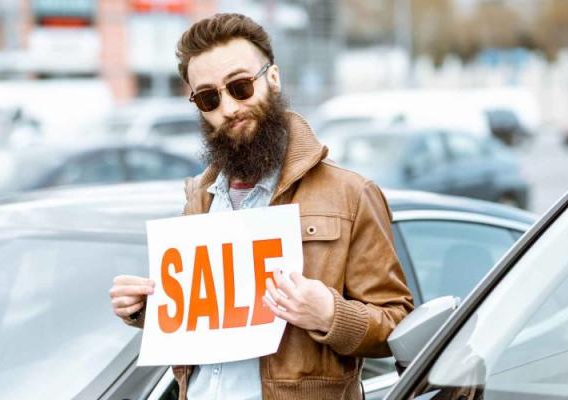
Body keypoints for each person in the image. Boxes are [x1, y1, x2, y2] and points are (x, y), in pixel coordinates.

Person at [109, 13, 413, 400]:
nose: (229, 108)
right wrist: (147, 309)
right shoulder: (200, 200)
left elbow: (398, 324)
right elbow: (213, 323)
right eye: (209, 97)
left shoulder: (350, 193)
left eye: (240, 86)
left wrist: (331, 315)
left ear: (273, 79)